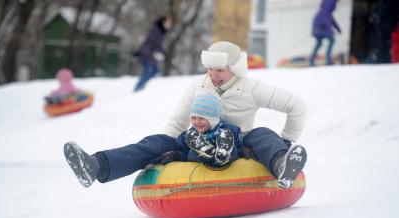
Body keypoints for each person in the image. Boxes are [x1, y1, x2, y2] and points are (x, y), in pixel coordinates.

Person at [64, 41, 307, 189]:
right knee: (154, 142)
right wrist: (165, 145)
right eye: (210, 68)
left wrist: (286, 140)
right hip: (199, 141)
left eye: (220, 69)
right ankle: (95, 166)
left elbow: (296, 105)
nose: (214, 74)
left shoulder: (252, 88)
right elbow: (177, 120)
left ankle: (282, 164)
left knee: (262, 134)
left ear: (235, 69)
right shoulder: (199, 86)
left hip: (239, 143)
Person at [155, 91, 243, 167]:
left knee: (233, 149)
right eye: (193, 118)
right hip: (199, 165)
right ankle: (204, 149)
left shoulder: (230, 130)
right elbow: (183, 152)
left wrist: (247, 151)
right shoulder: (187, 136)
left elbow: (241, 147)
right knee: (193, 153)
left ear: (212, 119)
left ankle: (223, 151)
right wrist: (174, 155)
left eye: (201, 118)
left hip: (227, 163)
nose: (197, 122)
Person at [133, 16, 172, 92]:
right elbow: (153, 44)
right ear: (163, 22)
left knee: (153, 70)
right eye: (168, 23)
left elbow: (157, 45)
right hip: (146, 54)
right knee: (151, 71)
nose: (169, 25)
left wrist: (164, 54)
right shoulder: (156, 31)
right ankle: (138, 89)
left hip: (148, 54)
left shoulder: (159, 32)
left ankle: (140, 87)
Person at [309, 0, 341, 66]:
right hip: (321, 29)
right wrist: (331, 31)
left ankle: (312, 60)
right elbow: (325, 22)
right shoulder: (325, 12)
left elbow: (332, 21)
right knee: (331, 40)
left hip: (319, 29)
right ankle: (327, 60)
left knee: (319, 43)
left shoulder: (326, 12)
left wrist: (338, 28)